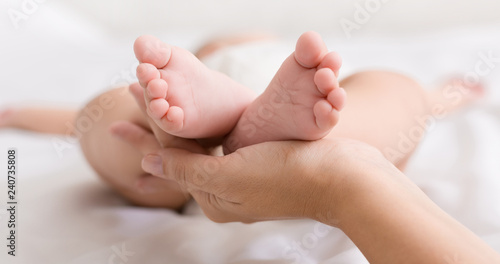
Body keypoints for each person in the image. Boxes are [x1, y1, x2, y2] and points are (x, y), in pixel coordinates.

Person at [0, 31, 482, 208]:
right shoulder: (285, 70)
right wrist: (438, 95)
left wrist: (19, 113)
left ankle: (186, 144)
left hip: (228, 99)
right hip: (242, 97)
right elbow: (425, 100)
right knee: (393, 92)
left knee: (99, 116)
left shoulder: (201, 68)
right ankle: (227, 135)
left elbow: (70, 122)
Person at [111, 121, 500, 264]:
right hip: (286, 114)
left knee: (111, 118)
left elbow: (72, 120)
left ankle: (224, 127)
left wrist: (339, 182)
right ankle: (225, 127)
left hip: (277, 110)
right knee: (394, 92)